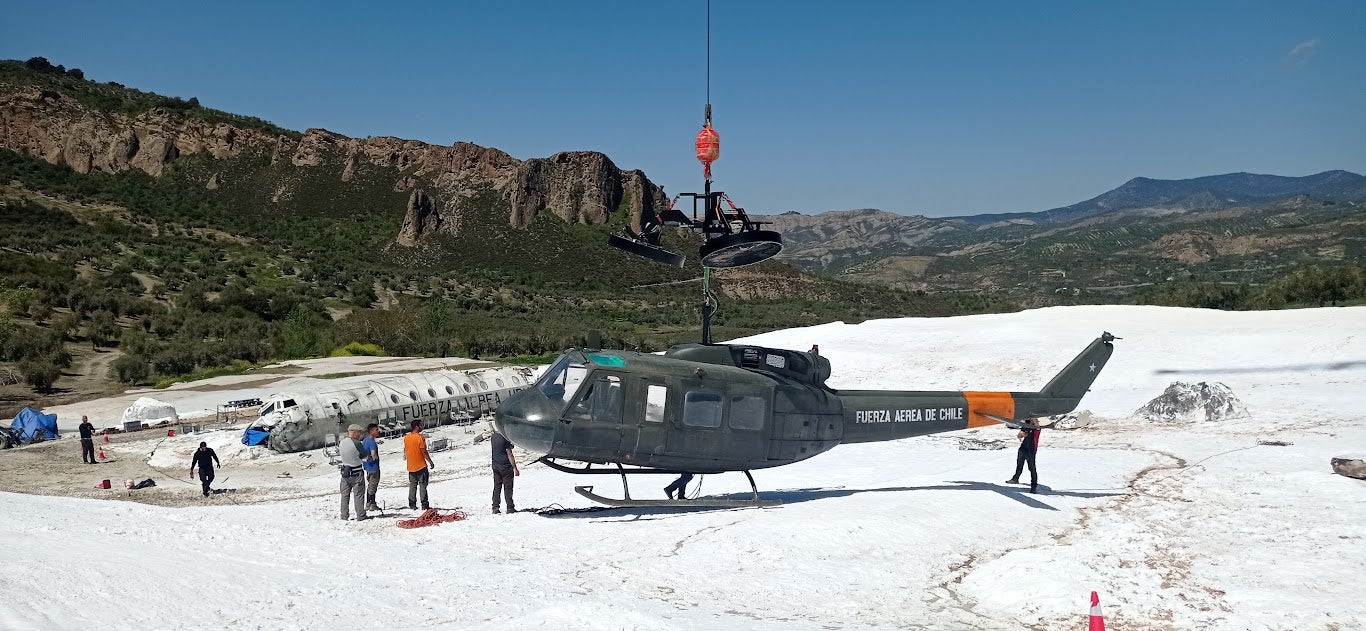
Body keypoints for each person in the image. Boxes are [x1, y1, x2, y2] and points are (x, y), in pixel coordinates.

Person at [338, 424, 368, 520]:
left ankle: (344, 515)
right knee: (358, 495)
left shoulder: (341, 442)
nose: (360, 435)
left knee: (344, 496)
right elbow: (364, 455)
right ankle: (361, 515)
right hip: (356, 472)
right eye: (359, 433)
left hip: (345, 473)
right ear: (354, 433)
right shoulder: (357, 443)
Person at [403, 420, 434, 510]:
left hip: (411, 467)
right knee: (423, 485)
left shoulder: (406, 438)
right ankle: (424, 504)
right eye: (421, 425)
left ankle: (412, 504)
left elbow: (406, 450)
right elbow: (424, 452)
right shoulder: (420, 437)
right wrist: (430, 462)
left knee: (412, 486)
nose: (422, 427)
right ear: (417, 427)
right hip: (421, 466)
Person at [1006, 420, 1042, 493]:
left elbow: (1037, 426)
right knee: (1019, 464)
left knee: (1032, 468)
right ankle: (1015, 479)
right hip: (1023, 448)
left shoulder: (1036, 428)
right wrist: (1021, 434)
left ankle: (1034, 486)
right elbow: (1020, 434)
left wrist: (1034, 419)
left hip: (1031, 450)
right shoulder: (1026, 425)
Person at [490, 430, 519, 514]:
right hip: (505, 466)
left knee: (497, 487)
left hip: (495, 465)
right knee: (508, 487)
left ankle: (495, 507)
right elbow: (509, 454)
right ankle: (510, 507)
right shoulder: (505, 438)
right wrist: (515, 468)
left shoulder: (493, 437)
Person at [362, 423, 381, 512]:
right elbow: (373, 454)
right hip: (374, 467)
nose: (378, 431)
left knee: (370, 485)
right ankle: (370, 503)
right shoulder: (372, 442)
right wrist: (375, 458)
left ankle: (371, 503)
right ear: (372, 431)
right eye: (376, 430)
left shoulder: (365, 441)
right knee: (373, 486)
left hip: (367, 467)